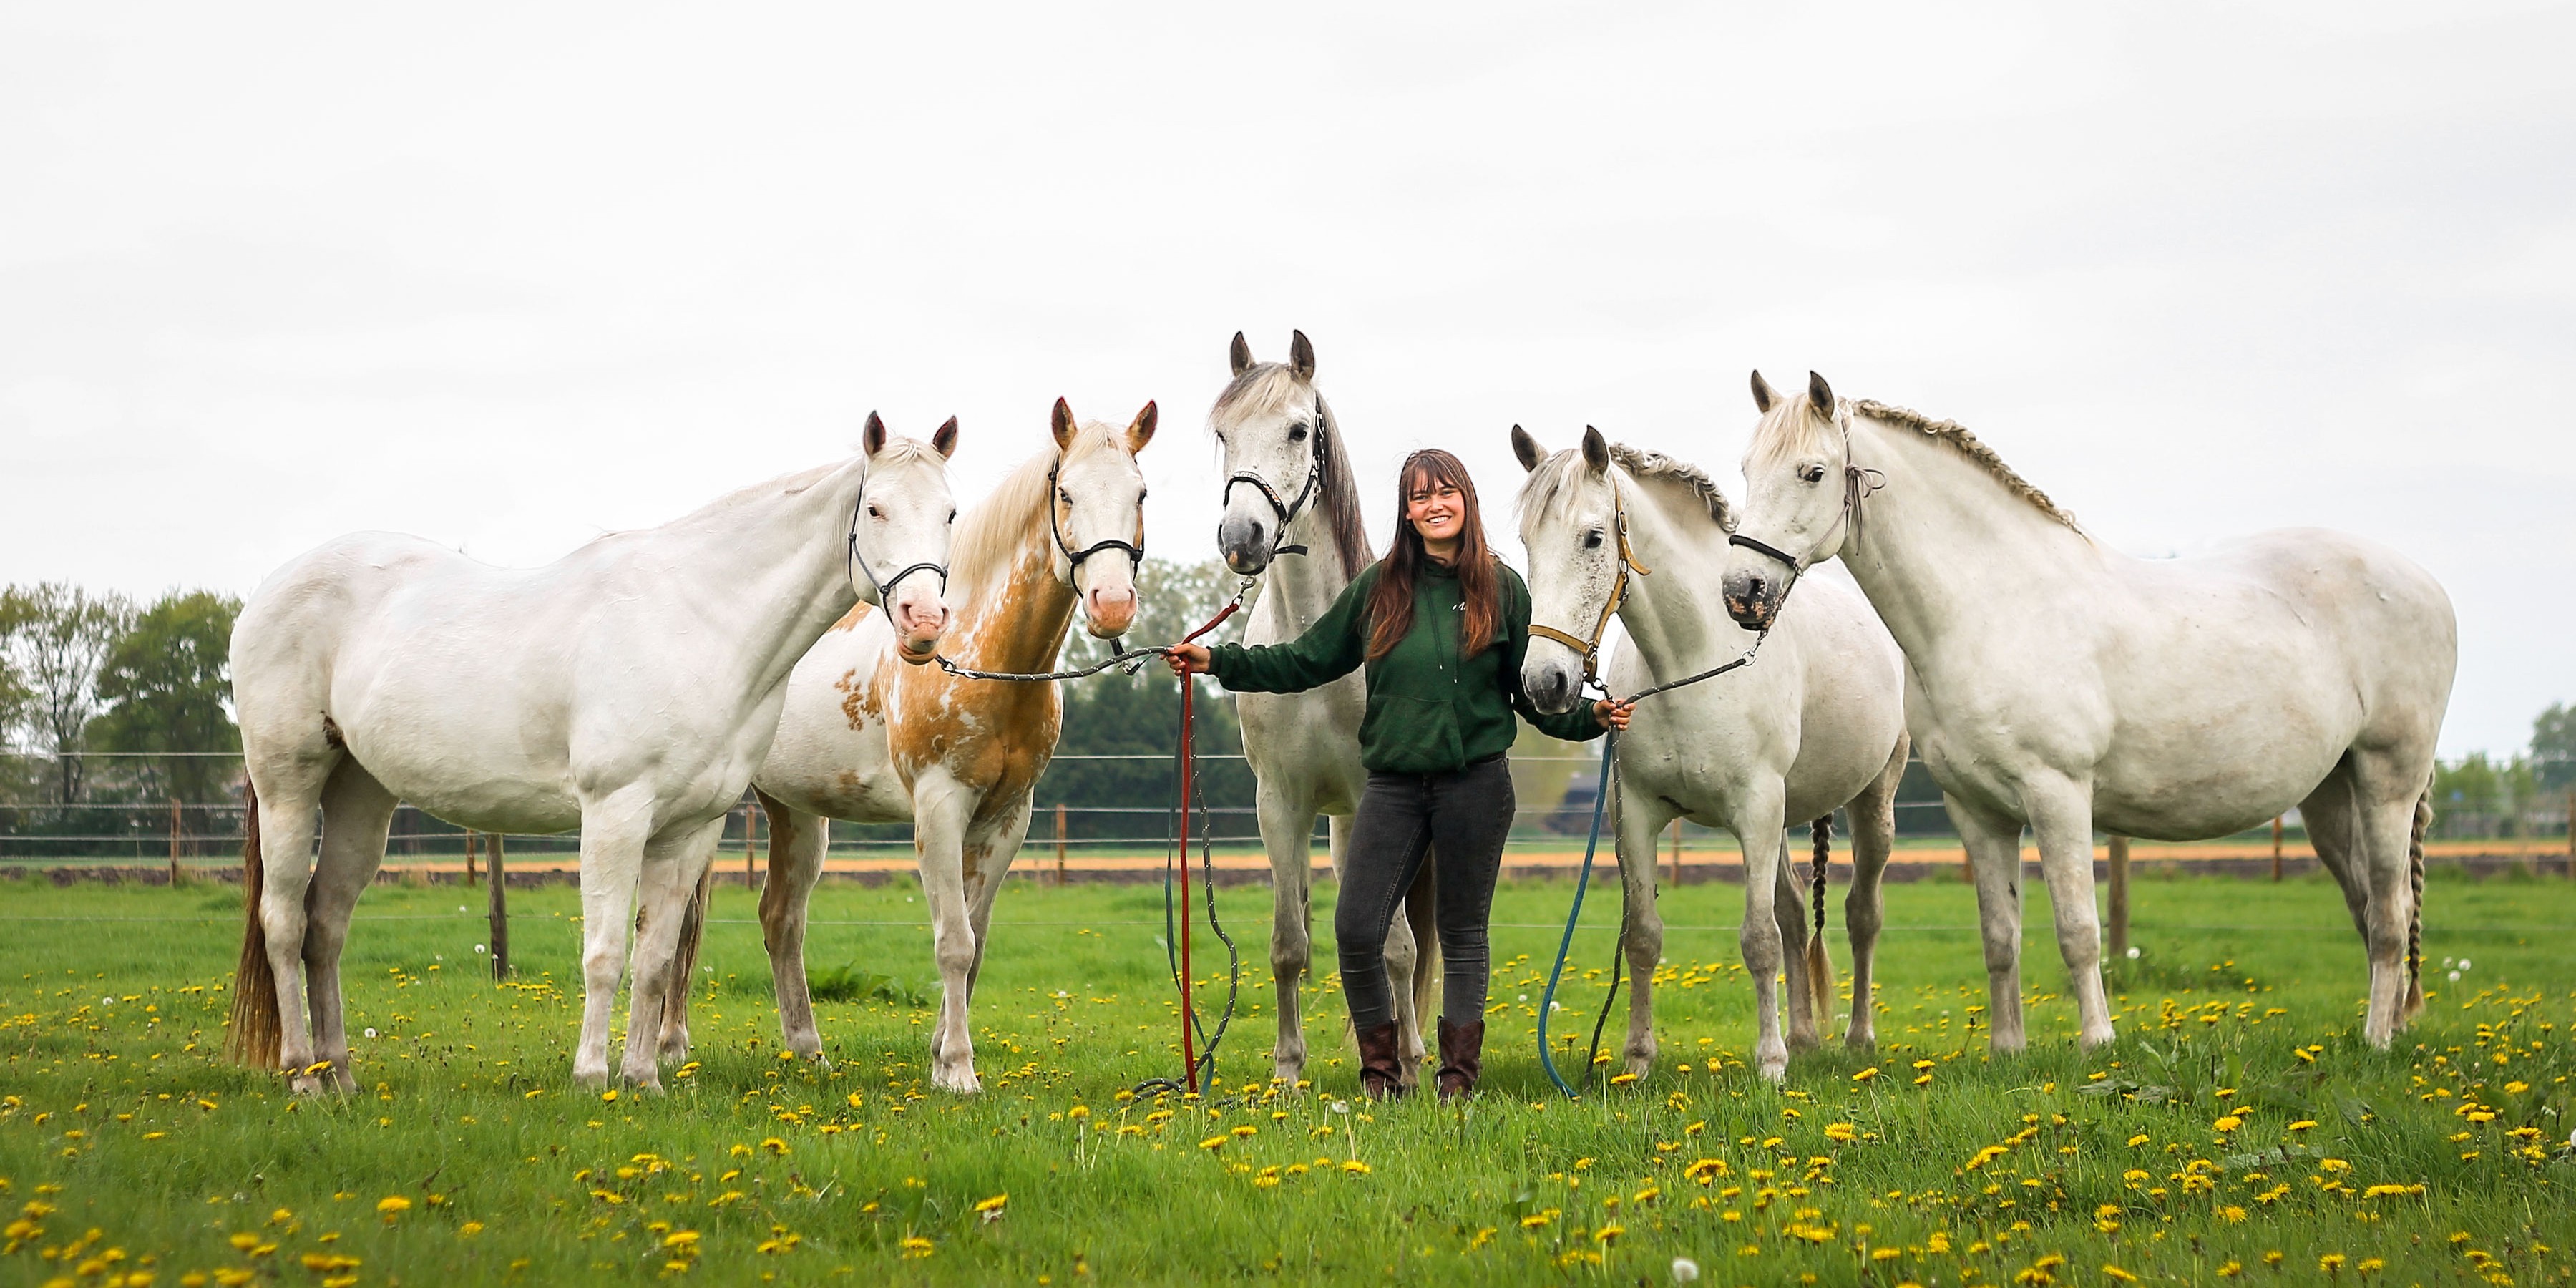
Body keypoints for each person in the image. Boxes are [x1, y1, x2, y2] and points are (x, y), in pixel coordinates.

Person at [1169, 447, 1631, 1100]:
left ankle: (1457, 1081)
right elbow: (1304, 660)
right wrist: (1218, 659)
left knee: (1464, 935)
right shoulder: (1379, 587)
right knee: (1356, 927)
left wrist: (1592, 717)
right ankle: (1382, 1074)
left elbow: (1528, 697)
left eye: (1445, 493)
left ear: (1465, 501)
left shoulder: (1503, 589)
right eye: (1419, 497)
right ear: (1407, 513)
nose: (1433, 505)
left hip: (1476, 785)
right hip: (1391, 787)